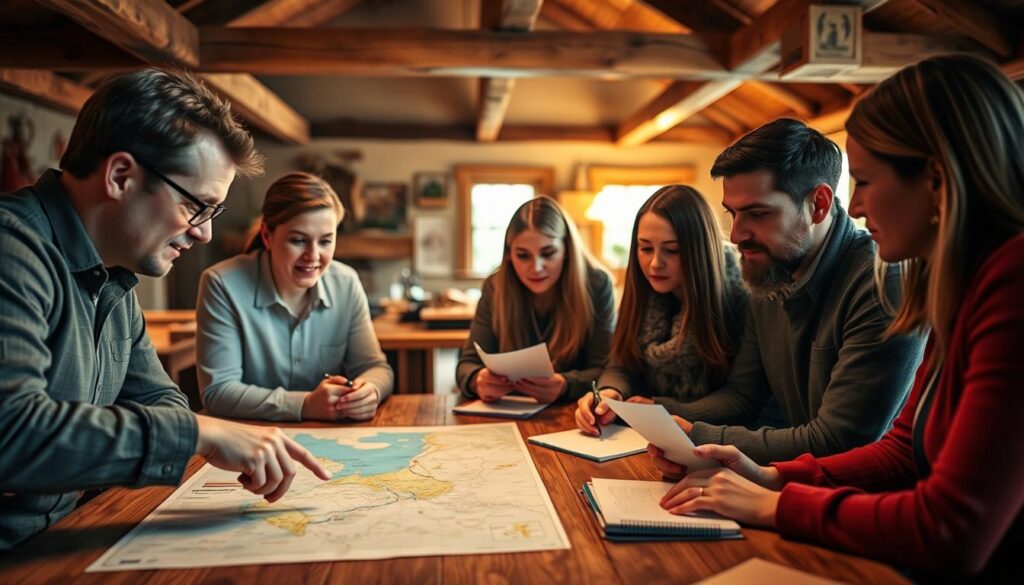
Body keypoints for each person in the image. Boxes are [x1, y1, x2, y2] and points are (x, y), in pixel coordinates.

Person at [655, 55, 1024, 581]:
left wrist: (774, 506)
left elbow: (950, 529)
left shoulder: (1009, 282)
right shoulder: (955, 281)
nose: (857, 205)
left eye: (867, 181)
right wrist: (772, 476)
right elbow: (901, 450)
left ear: (937, 181)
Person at [0, 69, 329, 551]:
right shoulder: (13, 251)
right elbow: (13, 434)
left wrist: (195, 431)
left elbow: (162, 401)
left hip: (64, 538)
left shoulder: (113, 279)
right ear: (120, 176)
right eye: (198, 206)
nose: (205, 234)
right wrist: (201, 432)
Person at [634, 118, 925, 464]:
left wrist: (698, 436)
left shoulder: (880, 280)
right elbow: (744, 396)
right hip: (801, 481)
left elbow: (840, 439)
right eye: (733, 214)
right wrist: (657, 410)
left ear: (818, 204)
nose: (738, 235)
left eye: (757, 213)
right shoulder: (768, 269)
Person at [196, 172, 393, 421]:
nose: (313, 256)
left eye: (325, 241)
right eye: (298, 240)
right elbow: (218, 391)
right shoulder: (221, 283)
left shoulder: (346, 282)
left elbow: (376, 368)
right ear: (268, 235)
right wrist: (305, 404)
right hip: (248, 440)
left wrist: (369, 390)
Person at [574, 185, 746, 434]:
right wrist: (610, 393)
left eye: (672, 250)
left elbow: (741, 397)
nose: (655, 263)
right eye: (645, 248)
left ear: (701, 250)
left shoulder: (739, 296)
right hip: (652, 434)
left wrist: (660, 408)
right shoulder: (643, 292)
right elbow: (621, 364)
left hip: (715, 440)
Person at [457, 196, 615, 403]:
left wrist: (566, 385)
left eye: (548, 254)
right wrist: (477, 380)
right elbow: (466, 365)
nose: (536, 267)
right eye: (523, 255)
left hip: (573, 413)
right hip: (508, 411)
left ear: (567, 249)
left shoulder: (596, 285)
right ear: (508, 255)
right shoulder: (495, 287)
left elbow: (607, 370)